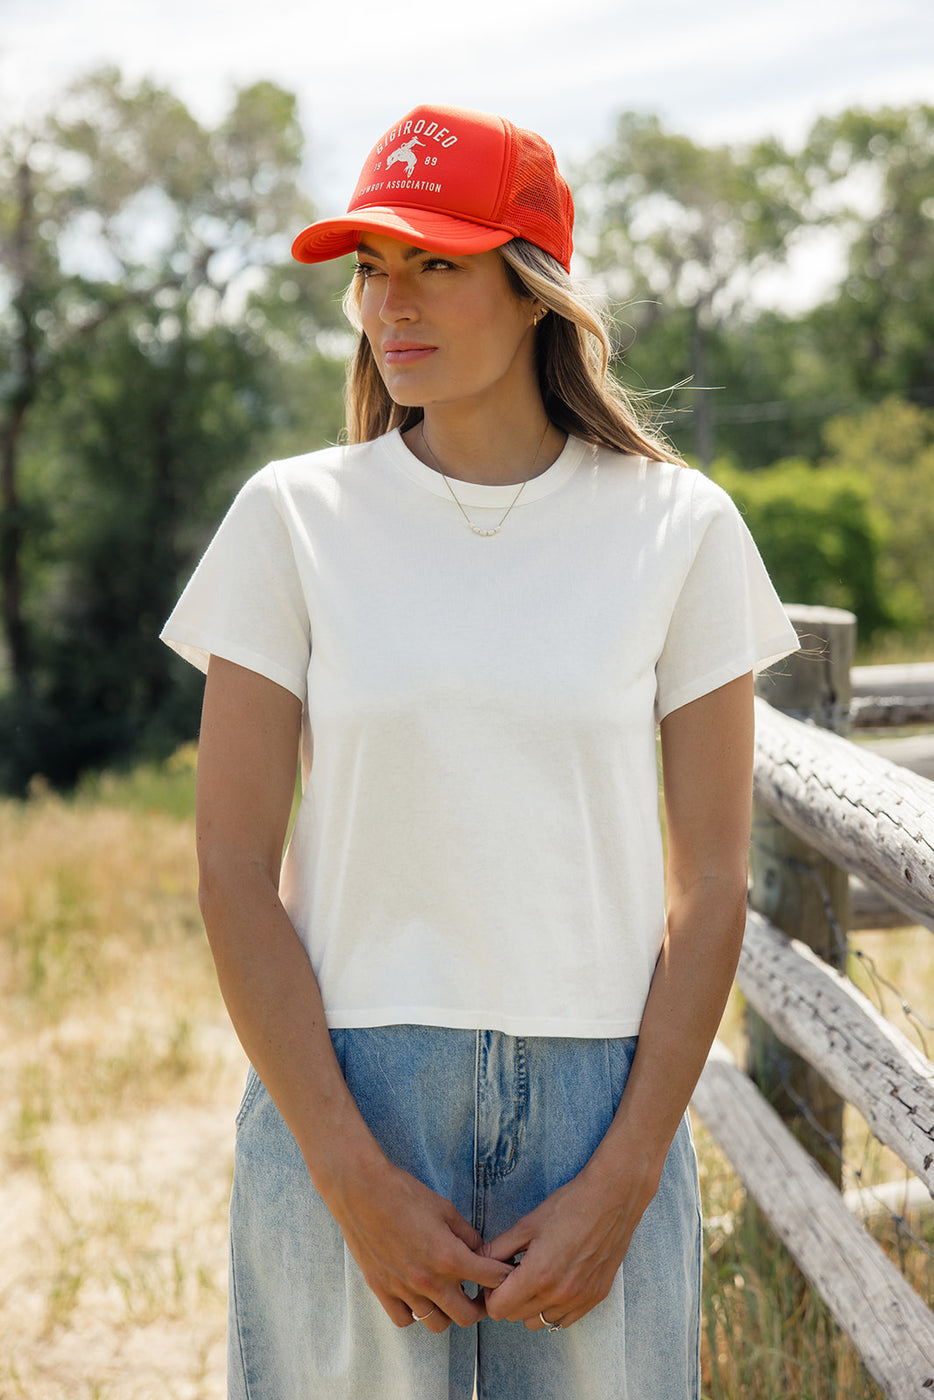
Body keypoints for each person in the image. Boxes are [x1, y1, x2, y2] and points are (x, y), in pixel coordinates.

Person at [161, 103, 799, 1400]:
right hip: (344, 1099)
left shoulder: (679, 529)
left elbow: (713, 884)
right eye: (371, 270)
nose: (392, 304)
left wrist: (623, 1178)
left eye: (435, 266)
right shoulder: (292, 519)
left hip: (599, 1115)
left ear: (532, 291)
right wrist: (345, 1170)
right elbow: (230, 865)